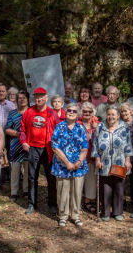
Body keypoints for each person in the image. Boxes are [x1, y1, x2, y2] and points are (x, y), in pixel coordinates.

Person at [20, 87, 60, 215]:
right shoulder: (29, 112)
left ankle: (52, 204)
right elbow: (22, 129)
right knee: (32, 177)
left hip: (48, 149)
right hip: (32, 148)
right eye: (37, 96)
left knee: (51, 177)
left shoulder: (52, 113)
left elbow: (59, 130)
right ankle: (32, 204)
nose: (39, 99)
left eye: (41, 96)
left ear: (46, 98)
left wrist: (56, 146)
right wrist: (24, 142)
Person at [93, 106, 133, 221]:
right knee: (105, 188)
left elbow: (128, 143)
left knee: (119, 187)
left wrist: (128, 159)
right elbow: (95, 143)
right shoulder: (100, 126)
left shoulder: (123, 126)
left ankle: (117, 212)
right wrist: (97, 159)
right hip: (104, 162)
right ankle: (105, 213)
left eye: (113, 115)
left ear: (118, 116)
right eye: (109, 114)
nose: (110, 117)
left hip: (119, 161)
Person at [51, 102, 89, 227]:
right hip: (62, 166)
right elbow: (55, 147)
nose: (71, 113)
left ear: (77, 114)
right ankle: (63, 215)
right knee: (63, 191)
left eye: (74, 111)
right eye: (69, 110)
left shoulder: (80, 128)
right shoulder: (59, 127)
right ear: (65, 112)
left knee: (77, 191)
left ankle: (75, 215)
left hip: (78, 166)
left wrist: (79, 162)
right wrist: (67, 162)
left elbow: (85, 147)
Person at [6, 91, 31, 201]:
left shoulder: (31, 113)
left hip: (29, 145)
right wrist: (19, 134)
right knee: (15, 169)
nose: (22, 100)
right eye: (20, 98)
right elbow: (7, 128)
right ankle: (14, 191)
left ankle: (26, 190)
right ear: (17, 100)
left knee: (27, 169)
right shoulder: (12, 113)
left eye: (24, 98)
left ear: (28, 100)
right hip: (15, 145)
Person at [79, 102, 99, 213]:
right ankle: (77, 202)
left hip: (92, 156)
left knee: (91, 180)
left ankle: (87, 201)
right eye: (84, 111)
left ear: (93, 113)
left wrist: (96, 129)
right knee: (79, 180)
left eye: (89, 111)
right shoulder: (77, 123)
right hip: (80, 157)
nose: (87, 113)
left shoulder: (96, 124)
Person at [120, 102, 133, 207]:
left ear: (131, 111)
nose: (123, 113)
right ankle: (121, 198)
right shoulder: (119, 122)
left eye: (125, 111)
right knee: (122, 176)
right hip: (122, 153)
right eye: (122, 111)